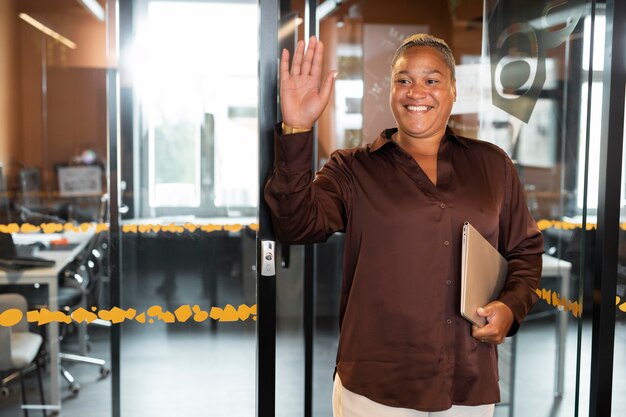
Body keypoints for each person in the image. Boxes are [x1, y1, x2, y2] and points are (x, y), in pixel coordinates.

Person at [264, 34, 543, 417]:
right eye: (403, 79)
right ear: (391, 90)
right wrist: (295, 129)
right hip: (376, 386)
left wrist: (511, 308)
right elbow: (295, 224)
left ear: (453, 90)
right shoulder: (352, 169)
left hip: (466, 379)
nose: (417, 91)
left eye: (432, 80)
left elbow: (525, 250)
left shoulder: (492, 166)